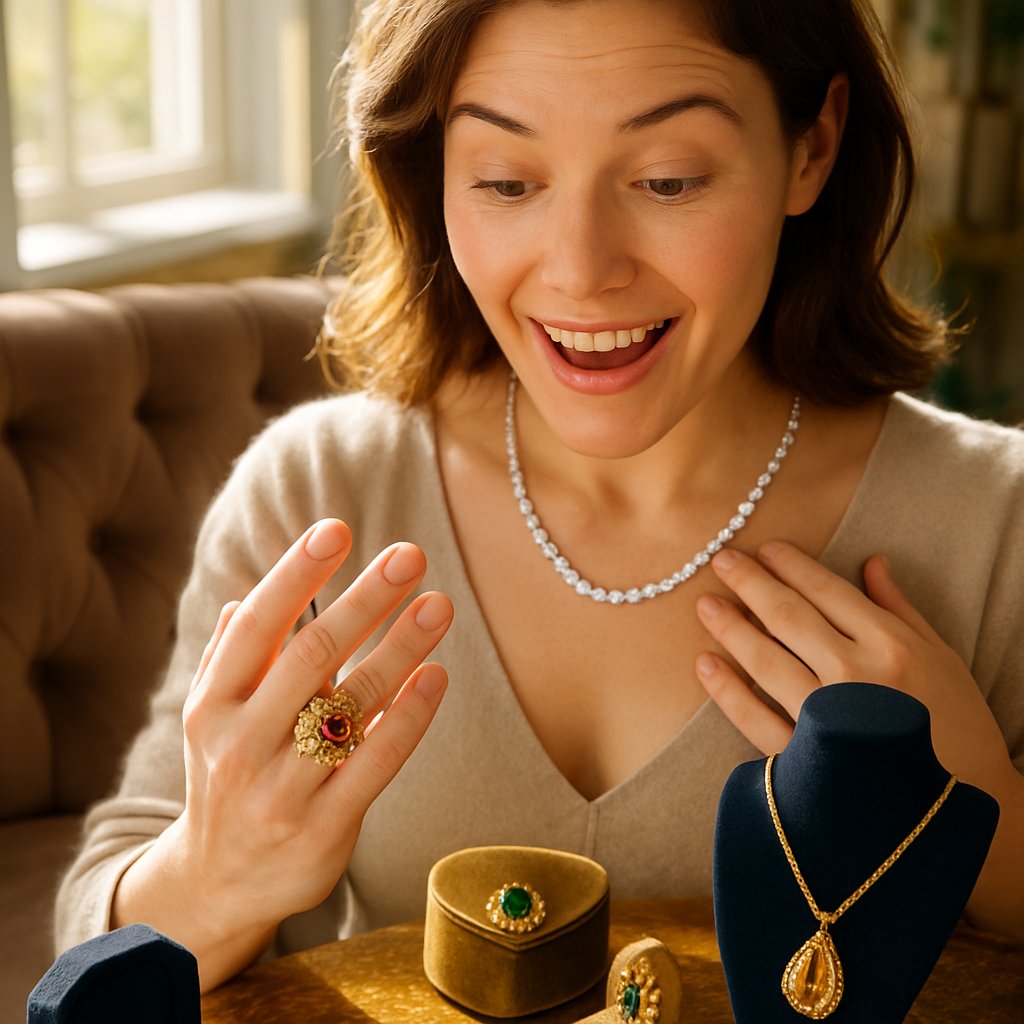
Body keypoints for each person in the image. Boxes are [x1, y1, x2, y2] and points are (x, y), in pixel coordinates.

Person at [57, 0, 1024, 991]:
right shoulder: (319, 490)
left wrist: (985, 821)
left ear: (811, 148)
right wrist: (217, 875)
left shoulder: (996, 524)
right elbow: (96, 941)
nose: (579, 269)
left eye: (666, 180)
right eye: (506, 181)